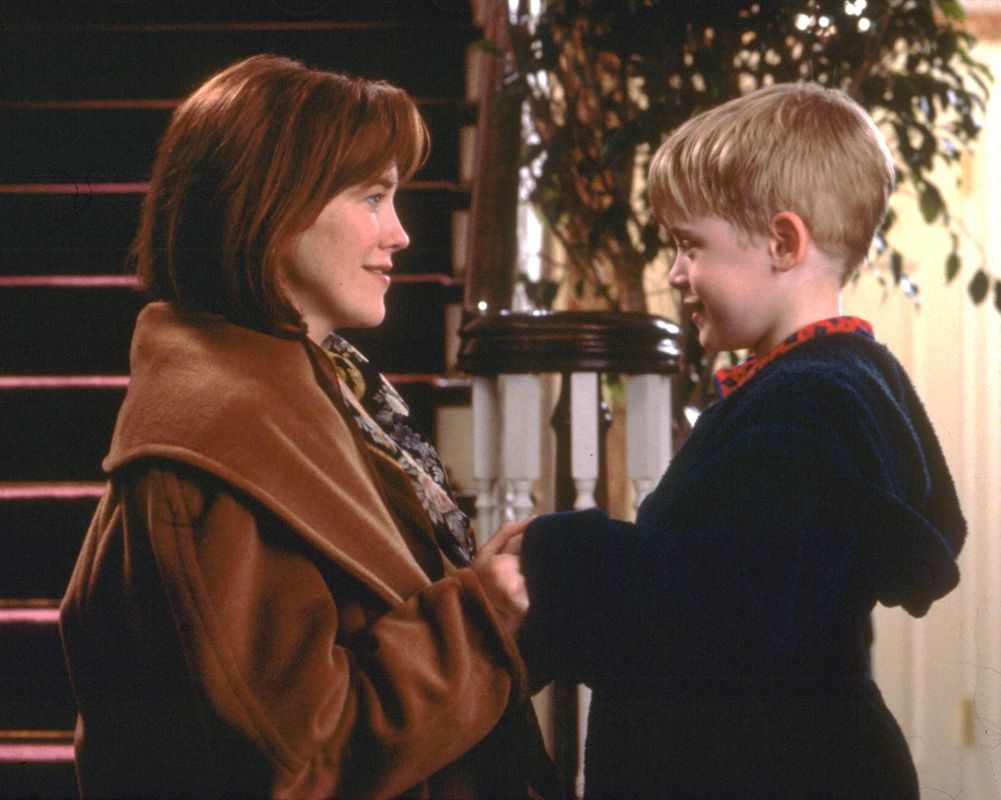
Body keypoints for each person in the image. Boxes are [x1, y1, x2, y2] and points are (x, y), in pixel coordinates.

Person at [59, 54, 558, 800]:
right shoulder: (211, 453)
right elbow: (298, 758)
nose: (399, 234)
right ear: (272, 207)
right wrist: (484, 615)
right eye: (371, 197)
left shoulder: (331, 391)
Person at [511, 83, 967, 799]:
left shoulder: (808, 405)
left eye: (689, 245)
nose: (674, 273)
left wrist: (556, 549)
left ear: (783, 242)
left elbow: (715, 621)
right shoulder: (833, 384)